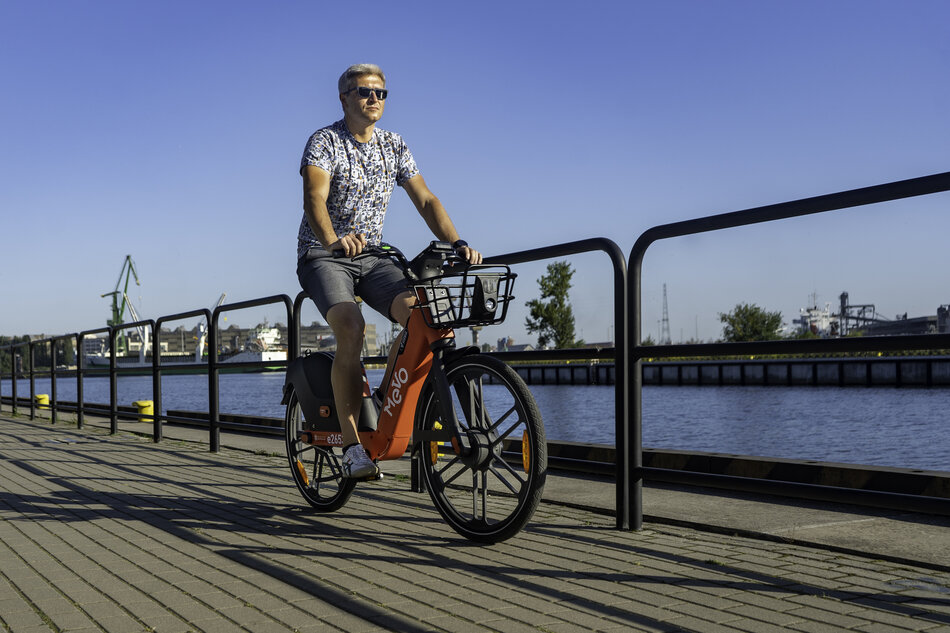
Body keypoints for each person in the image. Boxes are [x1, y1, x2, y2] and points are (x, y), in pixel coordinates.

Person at [296, 63, 482, 479]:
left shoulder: (393, 146)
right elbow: (314, 199)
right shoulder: (324, 141)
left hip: (374, 257)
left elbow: (426, 200)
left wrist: (458, 243)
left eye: (381, 93)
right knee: (351, 325)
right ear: (344, 98)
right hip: (323, 255)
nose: (374, 99)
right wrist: (331, 241)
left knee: (423, 313)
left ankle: (386, 402)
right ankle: (350, 445)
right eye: (364, 92)